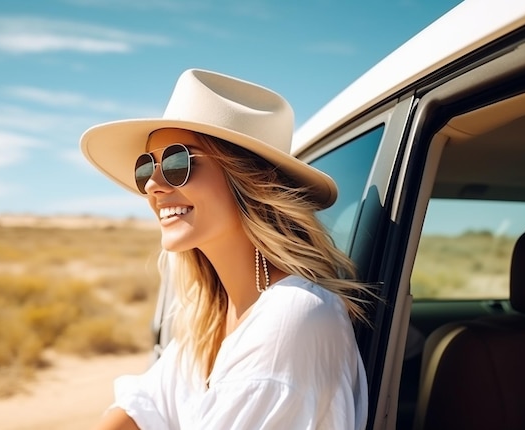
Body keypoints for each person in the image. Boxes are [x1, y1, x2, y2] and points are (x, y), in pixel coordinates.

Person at [80, 69, 372, 430]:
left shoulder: (290, 317)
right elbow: (142, 407)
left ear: (251, 178)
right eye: (146, 167)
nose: (152, 185)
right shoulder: (212, 318)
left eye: (177, 162)